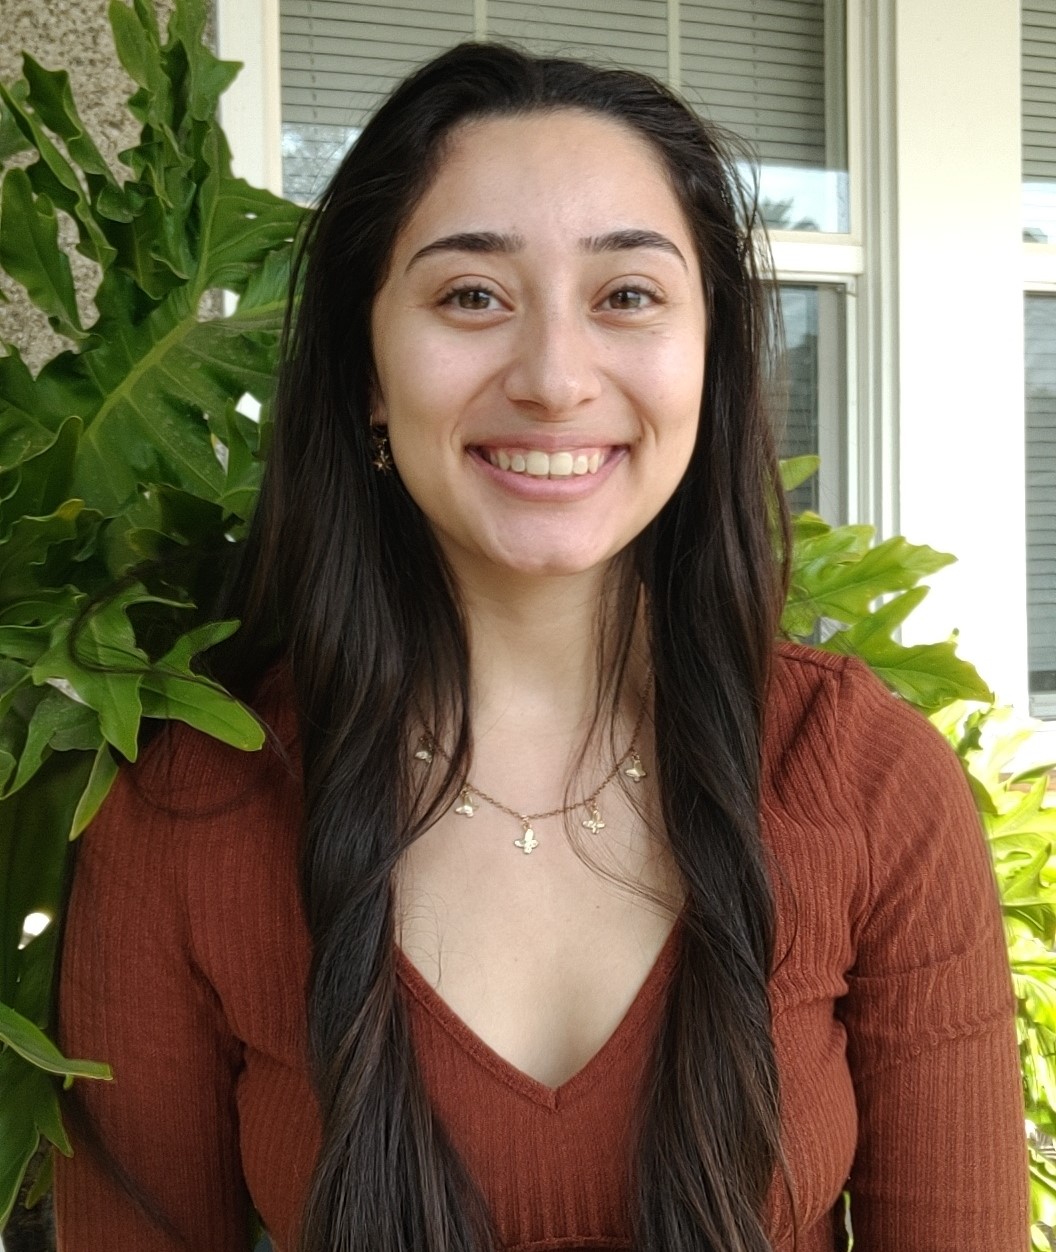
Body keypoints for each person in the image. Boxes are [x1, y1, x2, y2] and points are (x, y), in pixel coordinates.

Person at [52, 40, 1028, 1252]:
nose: (556, 378)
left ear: (710, 356)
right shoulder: (189, 811)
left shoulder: (868, 783)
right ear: (367, 370)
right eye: (472, 296)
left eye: (627, 296)